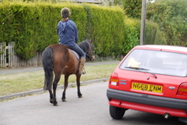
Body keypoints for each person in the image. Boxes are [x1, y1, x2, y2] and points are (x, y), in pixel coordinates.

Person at [57, 7, 86, 74]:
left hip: (61, 44)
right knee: (83, 54)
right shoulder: (72, 23)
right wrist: (75, 42)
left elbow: (59, 34)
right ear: (68, 14)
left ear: (62, 14)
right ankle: (80, 70)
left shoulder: (59, 24)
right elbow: (76, 35)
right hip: (71, 44)